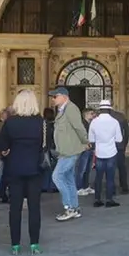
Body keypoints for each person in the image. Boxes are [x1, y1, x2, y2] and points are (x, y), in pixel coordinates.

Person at [0, 90, 46, 255]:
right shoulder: (40, 122)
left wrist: (7, 152)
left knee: (15, 207)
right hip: (35, 167)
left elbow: (2, 145)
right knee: (34, 207)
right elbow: (45, 145)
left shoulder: (11, 122)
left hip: (15, 167)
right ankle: (34, 244)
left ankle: (15, 244)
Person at [49, 87, 90, 221]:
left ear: (64, 96)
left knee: (57, 176)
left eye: (55, 96)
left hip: (69, 150)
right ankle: (75, 207)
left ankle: (69, 208)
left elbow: (78, 126)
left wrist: (86, 141)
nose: (53, 99)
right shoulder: (63, 109)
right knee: (68, 179)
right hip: (66, 150)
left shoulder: (70, 108)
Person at [90, 100, 124, 208]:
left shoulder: (94, 122)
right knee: (110, 177)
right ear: (110, 109)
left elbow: (91, 139)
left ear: (100, 109)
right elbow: (119, 139)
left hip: (99, 152)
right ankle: (109, 200)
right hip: (111, 152)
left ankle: (97, 199)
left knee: (98, 177)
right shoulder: (114, 122)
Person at [108, 104, 129, 195]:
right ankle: (124, 186)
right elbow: (127, 132)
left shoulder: (99, 118)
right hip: (119, 146)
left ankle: (111, 187)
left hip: (107, 147)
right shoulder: (120, 116)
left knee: (109, 168)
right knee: (122, 167)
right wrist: (124, 144)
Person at [76, 108, 97, 197]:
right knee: (81, 169)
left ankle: (86, 186)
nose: (93, 115)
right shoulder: (82, 124)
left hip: (91, 148)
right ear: (86, 114)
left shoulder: (91, 124)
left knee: (88, 169)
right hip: (84, 149)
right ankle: (79, 187)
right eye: (91, 113)